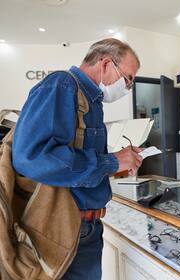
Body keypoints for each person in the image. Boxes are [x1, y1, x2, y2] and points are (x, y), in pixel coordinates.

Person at [12, 38, 142, 279]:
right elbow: (33, 156)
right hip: (64, 227)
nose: (127, 88)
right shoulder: (62, 86)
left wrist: (119, 162)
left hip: (86, 228)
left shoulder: (92, 102)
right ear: (105, 64)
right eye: (128, 79)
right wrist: (111, 162)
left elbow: (74, 161)